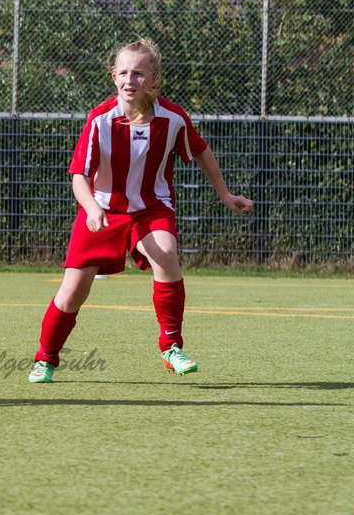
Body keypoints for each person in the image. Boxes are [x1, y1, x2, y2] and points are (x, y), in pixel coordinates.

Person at [28, 38, 254, 384]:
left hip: (151, 208)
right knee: (73, 292)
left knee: (166, 252)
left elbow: (202, 151)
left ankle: (171, 346)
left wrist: (224, 193)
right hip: (102, 209)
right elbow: (78, 175)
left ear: (154, 79)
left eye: (138, 73)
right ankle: (45, 358)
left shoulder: (173, 118)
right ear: (113, 77)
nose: (129, 80)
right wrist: (90, 208)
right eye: (123, 73)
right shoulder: (100, 119)